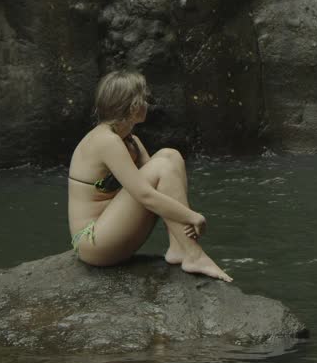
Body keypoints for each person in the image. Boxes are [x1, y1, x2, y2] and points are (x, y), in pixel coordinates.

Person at [67, 70, 232, 282]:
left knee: (170, 156)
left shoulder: (129, 139)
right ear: (134, 105)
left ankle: (179, 246)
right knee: (162, 165)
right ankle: (194, 255)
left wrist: (183, 215)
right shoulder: (106, 141)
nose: (148, 103)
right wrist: (192, 216)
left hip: (111, 228)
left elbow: (162, 182)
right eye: (144, 98)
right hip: (92, 242)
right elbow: (145, 195)